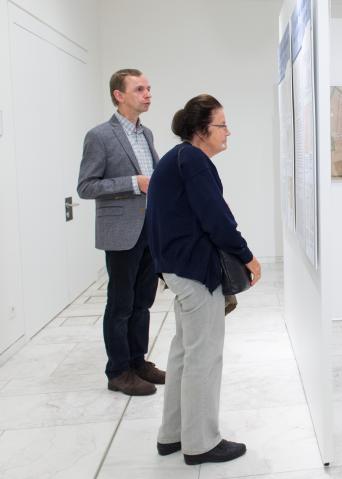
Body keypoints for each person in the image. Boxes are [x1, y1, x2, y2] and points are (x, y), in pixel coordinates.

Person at [147, 94, 261, 465]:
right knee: (204, 358)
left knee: (185, 351)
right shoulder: (193, 161)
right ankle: (200, 443)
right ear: (201, 130)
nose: (229, 132)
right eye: (222, 125)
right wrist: (248, 257)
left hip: (177, 268)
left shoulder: (179, 158)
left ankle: (173, 435)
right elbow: (216, 220)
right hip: (194, 271)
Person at [77, 68, 164, 396]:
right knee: (121, 303)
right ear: (119, 94)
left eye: (149, 88)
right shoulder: (99, 136)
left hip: (149, 229)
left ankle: (138, 362)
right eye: (140, 89)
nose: (147, 94)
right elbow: (86, 186)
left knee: (143, 301)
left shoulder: (147, 135)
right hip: (121, 232)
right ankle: (118, 371)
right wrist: (133, 183)